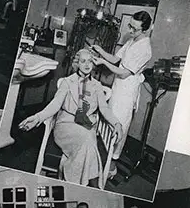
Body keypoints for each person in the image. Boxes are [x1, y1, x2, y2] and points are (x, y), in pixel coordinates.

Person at [19, 49, 122, 187]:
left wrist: (117, 124)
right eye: (83, 61)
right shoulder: (67, 82)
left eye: (90, 61)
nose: (87, 64)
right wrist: (38, 117)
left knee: (88, 142)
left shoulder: (97, 86)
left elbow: (104, 109)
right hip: (66, 125)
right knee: (88, 143)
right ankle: (92, 185)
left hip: (87, 126)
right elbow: (55, 104)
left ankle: (71, 183)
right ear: (77, 63)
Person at [91, 11, 153, 178]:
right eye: (130, 26)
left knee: (119, 125)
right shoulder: (133, 40)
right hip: (118, 87)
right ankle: (102, 159)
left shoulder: (145, 49)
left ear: (145, 30)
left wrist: (102, 62)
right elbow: (115, 59)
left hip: (127, 92)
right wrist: (100, 51)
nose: (131, 30)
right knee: (108, 122)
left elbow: (124, 73)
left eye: (135, 28)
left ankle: (111, 166)